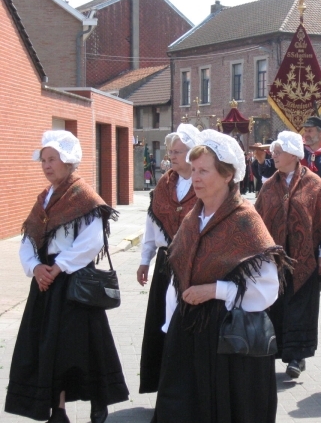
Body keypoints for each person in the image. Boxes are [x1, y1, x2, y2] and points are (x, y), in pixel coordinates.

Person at [154, 129, 286, 423]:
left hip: (228, 336)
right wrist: (170, 325)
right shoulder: (193, 218)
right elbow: (180, 276)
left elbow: (267, 288)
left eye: (204, 171)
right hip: (188, 331)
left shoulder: (245, 220)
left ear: (227, 175)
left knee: (223, 408)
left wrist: (216, 290)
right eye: (194, 170)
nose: (195, 177)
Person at [5, 130, 129, 423]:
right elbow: (29, 239)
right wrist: (35, 268)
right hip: (45, 283)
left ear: (69, 161)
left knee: (85, 346)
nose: (46, 165)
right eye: (44, 160)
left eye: (52, 160)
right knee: (48, 347)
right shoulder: (44, 198)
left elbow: (93, 240)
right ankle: (58, 410)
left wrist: (58, 267)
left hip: (74, 282)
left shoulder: (83, 195)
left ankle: (99, 401)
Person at [255, 131, 321, 379]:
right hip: (275, 262)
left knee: (301, 309)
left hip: (305, 260)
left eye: (278, 151)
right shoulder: (268, 187)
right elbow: (257, 221)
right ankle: (276, 351)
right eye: (273, 151)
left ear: (294, 155)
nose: (273, 155)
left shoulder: (313, 183)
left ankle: (297, 357)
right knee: (276, 306)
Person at [137, 124, 201, 395]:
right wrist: (144, 259)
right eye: (170, 151)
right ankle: (164, 386)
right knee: (160, 323)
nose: (172, 156)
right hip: (165, 263)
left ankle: (187, 387)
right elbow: (152, 224)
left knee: (186, 323)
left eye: (178, 151)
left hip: (192, 263)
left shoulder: (202, 184)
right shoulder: (164, 184)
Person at [256, 117, 321, 210]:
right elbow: (269, 169)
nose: (306, 134)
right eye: (305, 131)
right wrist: (261, 161)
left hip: (320, 213)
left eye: (310, 131)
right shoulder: (294, 154)